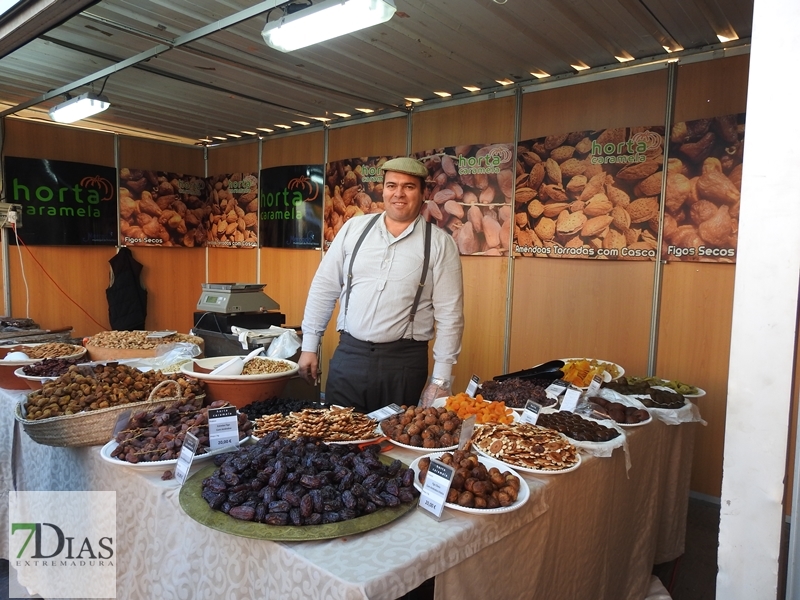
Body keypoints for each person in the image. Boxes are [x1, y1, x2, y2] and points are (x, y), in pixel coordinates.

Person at [298, 156, 464, 413]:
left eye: (408, 186)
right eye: (391, 185)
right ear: (383, 190)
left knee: (392, 445)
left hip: (403, 364)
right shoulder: (354, 228)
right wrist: (310, 345)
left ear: (423, 193)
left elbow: (450, 315)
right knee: (336, 440)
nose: (399, 193)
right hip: (349, 356)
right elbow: (324, 287)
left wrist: (440, 379)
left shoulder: (440, 243)